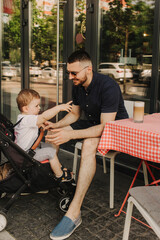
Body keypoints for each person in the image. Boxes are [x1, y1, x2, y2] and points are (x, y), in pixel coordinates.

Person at [45, 50, 129, 240]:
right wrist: (56, 125)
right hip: (93, 124)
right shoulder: (78, 85)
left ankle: (74, 212)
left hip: (116, 131)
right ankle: (56, 178)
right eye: (68, 73)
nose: (70, 77)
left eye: (74, 73)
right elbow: (74, 115)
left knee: (89, 143)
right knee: (53, 133)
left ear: (88, 69)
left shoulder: (108, 86)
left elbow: (105, 127)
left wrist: (72, 134)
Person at [14, 89, 73, 182]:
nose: (39, 108)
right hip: (26, 156)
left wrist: (42, 123)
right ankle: (60, 175)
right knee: (50, 152)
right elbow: (43, 116)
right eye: (36, 106)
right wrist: (58, 108)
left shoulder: (22, 118)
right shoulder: (27, 120)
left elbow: (38, 121)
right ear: (26, 109)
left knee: (48, 146)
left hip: (25, 152)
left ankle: (57, 167)